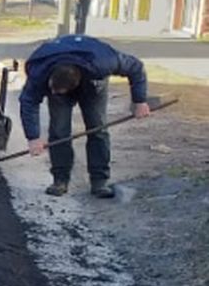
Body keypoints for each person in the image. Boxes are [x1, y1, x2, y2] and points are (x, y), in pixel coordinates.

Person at [18, 35, 150, 198]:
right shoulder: (40, 71)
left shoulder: (104, 61)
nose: (52, 94)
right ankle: (60, 180)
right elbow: (28, 102)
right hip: (59, 71)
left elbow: (135, 67)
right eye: (52, 90)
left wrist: (140, 101)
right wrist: (33, 137)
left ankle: (99, 181)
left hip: (93, 83)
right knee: (59, 131)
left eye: (58, 91)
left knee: (98, 128)